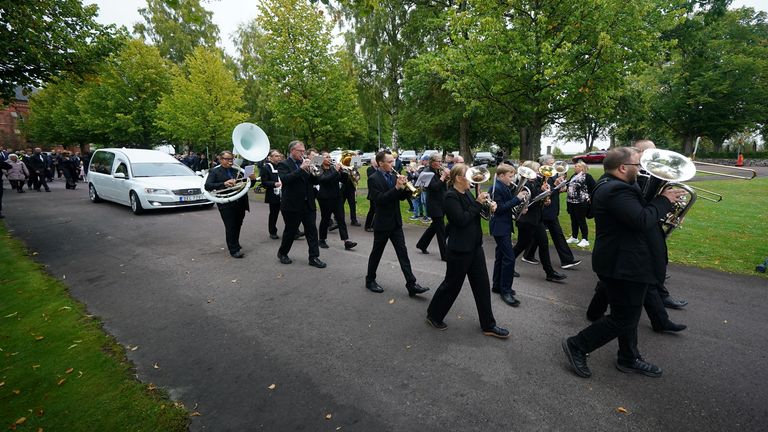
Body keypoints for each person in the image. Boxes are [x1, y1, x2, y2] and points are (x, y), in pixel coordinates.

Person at [562, 147, 687, 379]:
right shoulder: (615, 189)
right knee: (623, 318)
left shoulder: (618, 185)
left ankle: (628, 357)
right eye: (637, 165)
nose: (641, 170)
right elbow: (642, 220)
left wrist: (658, 196)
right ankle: (578, 345)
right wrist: (664, 200)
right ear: (622, 168)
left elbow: (637, 211)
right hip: (622, 264)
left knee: (627, 314)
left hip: (624, 262)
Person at [426, 163, 509, 338]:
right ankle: (434, 314)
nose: (472, 177)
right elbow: (461, 220)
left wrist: (488, 206)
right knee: (451, 286)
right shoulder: (450, 196)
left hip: (474, 247)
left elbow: (477, 214)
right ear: (458, 178)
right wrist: (478, 203)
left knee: (482, 286)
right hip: (459, 250)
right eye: (468, 174)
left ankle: (488, 325)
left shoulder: (468, 193)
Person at [364, 151, 429, 296]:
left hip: (396, 222)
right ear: (381, 163)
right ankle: (370, 280)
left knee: (403, 253)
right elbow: (380, 200)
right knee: (377, 253)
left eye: (393, 161)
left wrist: (408, 188)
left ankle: (411, 284)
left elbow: (399, 198)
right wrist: (397, 188)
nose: (393, 165)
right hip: (382, 222)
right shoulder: (373, 179)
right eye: (390, 162)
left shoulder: (394, 176)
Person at [522, 155, 582, 270]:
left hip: (551, 209)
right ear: (544, 164)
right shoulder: (541, 177)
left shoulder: (553, 175)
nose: (553, 166)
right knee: (556, 234)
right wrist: (555, 188)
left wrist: (560, 188)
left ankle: (528, 254)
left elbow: (554, 191)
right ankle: (566, 260)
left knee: (539, 235)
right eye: (550, 164)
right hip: (545, 210)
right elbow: (543, 194)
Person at [513, 161, 568, 282]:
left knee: (543, 244)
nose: (539, 172)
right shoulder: (523, 182)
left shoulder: (537, 181)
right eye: (537, 170)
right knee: (521, 245)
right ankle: (506, 264)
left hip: (537, 219)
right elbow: (525, 202)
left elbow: (538, 198)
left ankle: (550, 273)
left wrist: (545, 198)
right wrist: (540, 193)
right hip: (526, 220)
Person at [277, 141, 326, 268]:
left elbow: (315, 180)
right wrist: (301, 169)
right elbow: (286, 180)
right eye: (300, 151)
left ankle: (314, 257)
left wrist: (315, 170)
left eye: (304, 151)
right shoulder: (284, 164)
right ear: (292, 150)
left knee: (312, 231)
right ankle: (282, 253)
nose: (303, 153)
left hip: (308, 203)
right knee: (290, 231)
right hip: (292, 204)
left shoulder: (306, 163)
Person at [204, 150, 257, 258]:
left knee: (238, 224)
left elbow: (248, 185)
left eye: (231, 159)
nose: (230, 161)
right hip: (226, 203)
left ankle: (235, 243)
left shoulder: (238, 170)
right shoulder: (214, 171)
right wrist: (224, 183)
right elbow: (208, 186)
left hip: (241, 202)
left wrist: (253, 179)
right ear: (220, 159)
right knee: (230, 226)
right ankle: (233, 249)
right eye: (227, 159)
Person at [489, 164, 528, 307]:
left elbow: (507, 205)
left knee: (500, 256)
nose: (512, 179)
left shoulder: (504, 186)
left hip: (504, 225)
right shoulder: (495, 188)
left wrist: (520, 207)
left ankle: (497, 285)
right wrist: (517, 199)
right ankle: (505, 291)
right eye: (510, 176)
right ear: (501, 176)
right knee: (509, 258)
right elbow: (499, 209)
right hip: (499, 227)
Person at [317, 151, 357, 250]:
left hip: (337, 197)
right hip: (325, 198)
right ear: (321, 159)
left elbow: (343, 180)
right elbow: (324, 180)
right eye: (327, 157)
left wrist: (345, 172)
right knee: (325, 219)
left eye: (330, 157)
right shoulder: (319, 169)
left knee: (341, 219)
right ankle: (322, 239)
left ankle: (346, 241)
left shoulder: (332, 168)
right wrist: (336, 170)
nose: (329, 158)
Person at [415, 153, 448, 259]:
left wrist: (448, 178)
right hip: (434, 205)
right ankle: (445, 255)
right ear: (432, 162)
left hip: (441, 203)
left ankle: (422, 244)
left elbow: (443, 186)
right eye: (438, 161)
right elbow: (434, 187)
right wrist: (443, 177)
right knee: (441, 230)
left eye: (440, 161)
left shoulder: (437, 171)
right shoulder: (426, 172)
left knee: (434, 227)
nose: (440, 163)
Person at [565, 161, 596, 247]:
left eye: (576, 166)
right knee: (573, 220)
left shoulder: (587, 177)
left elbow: (594, 188)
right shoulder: (573, 176)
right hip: (571, 202)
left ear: (582, 168)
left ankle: (585, 239)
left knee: (581, 220)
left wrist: (590, 197)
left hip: (581, 202)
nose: (574, 167)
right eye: (575, 166)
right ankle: (574, 237)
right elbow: (568, 186)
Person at [259, 149, 283, 240]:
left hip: (284, 193)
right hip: (274, 194)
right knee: (274, 213)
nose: (279, 157)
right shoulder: (266, 168)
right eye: (276, 156)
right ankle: (272, 231)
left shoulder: (281, 166)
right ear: (270, 157)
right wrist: (274, 184)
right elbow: (264, 183)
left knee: (288, 213)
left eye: (279, 156)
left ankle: (295, 231)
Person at [364, 159, 378, 232]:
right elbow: (371, 177)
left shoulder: (378, 169)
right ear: (372, 162)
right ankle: (367, 226)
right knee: (372, 210)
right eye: (376, 161)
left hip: (377, 193)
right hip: (372, 194)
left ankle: (374, 225)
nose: (377, 162)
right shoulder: (370, 169)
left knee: (376, 210)